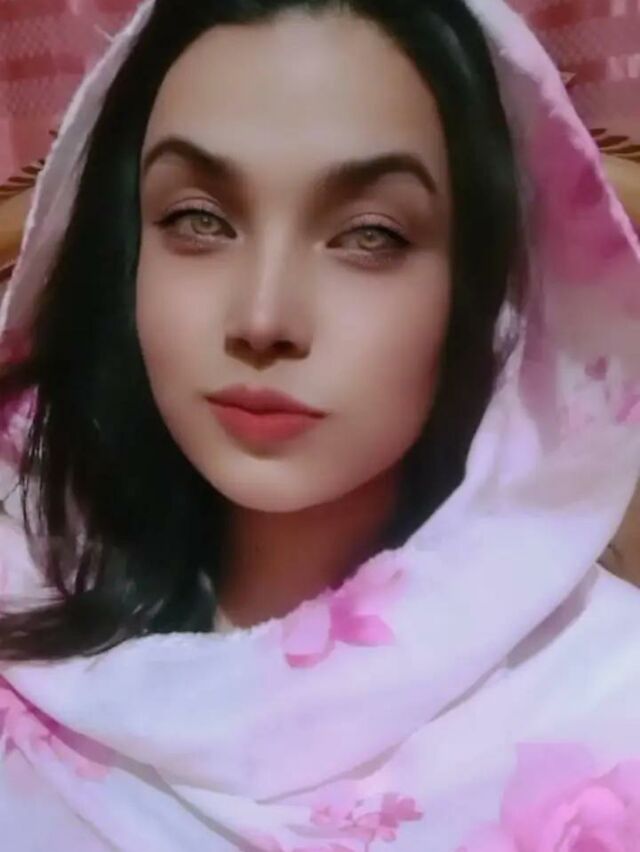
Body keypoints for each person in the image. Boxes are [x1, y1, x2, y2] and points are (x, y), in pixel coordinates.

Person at [0, 0, 638, 848]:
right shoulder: (21, 600)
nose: (264, 319)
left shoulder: (610, 704)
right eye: (198, 220)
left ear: (485, 287)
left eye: (369, 235)